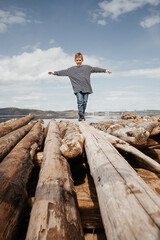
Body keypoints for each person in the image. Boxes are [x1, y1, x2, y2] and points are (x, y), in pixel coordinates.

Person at [48, 52, 112, 121]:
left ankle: (81, 115)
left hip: (86, 88)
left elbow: (96, 69)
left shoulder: (87, 68)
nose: (78, 61)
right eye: (77, 60)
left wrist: (105, 70)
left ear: (82, 60)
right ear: (75, 61)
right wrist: (54, 73)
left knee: (85, 102)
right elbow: (62, 72)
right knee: (80, 101)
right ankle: (81, 115)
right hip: (77, 88)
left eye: (80, 60)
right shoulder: (71, 70)